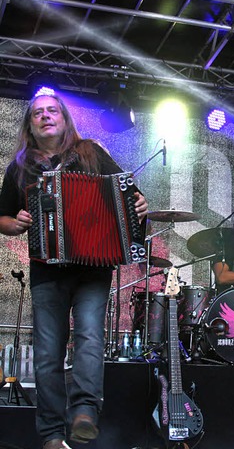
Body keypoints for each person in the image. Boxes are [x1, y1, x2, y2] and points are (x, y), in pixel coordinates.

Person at [0, 94, 148, 449]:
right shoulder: (19, 168)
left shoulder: (92, 153)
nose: (45, 116)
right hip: (46, 268)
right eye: (38, 113)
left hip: (93, 268)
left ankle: (84, 413)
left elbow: (130, 195)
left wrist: (140, 204)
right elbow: (2, 218)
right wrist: (16, 223)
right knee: (48, 351)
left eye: (52, 111)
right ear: (30, 124)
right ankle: (52, 434)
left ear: (65, 118)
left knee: (89, 338)